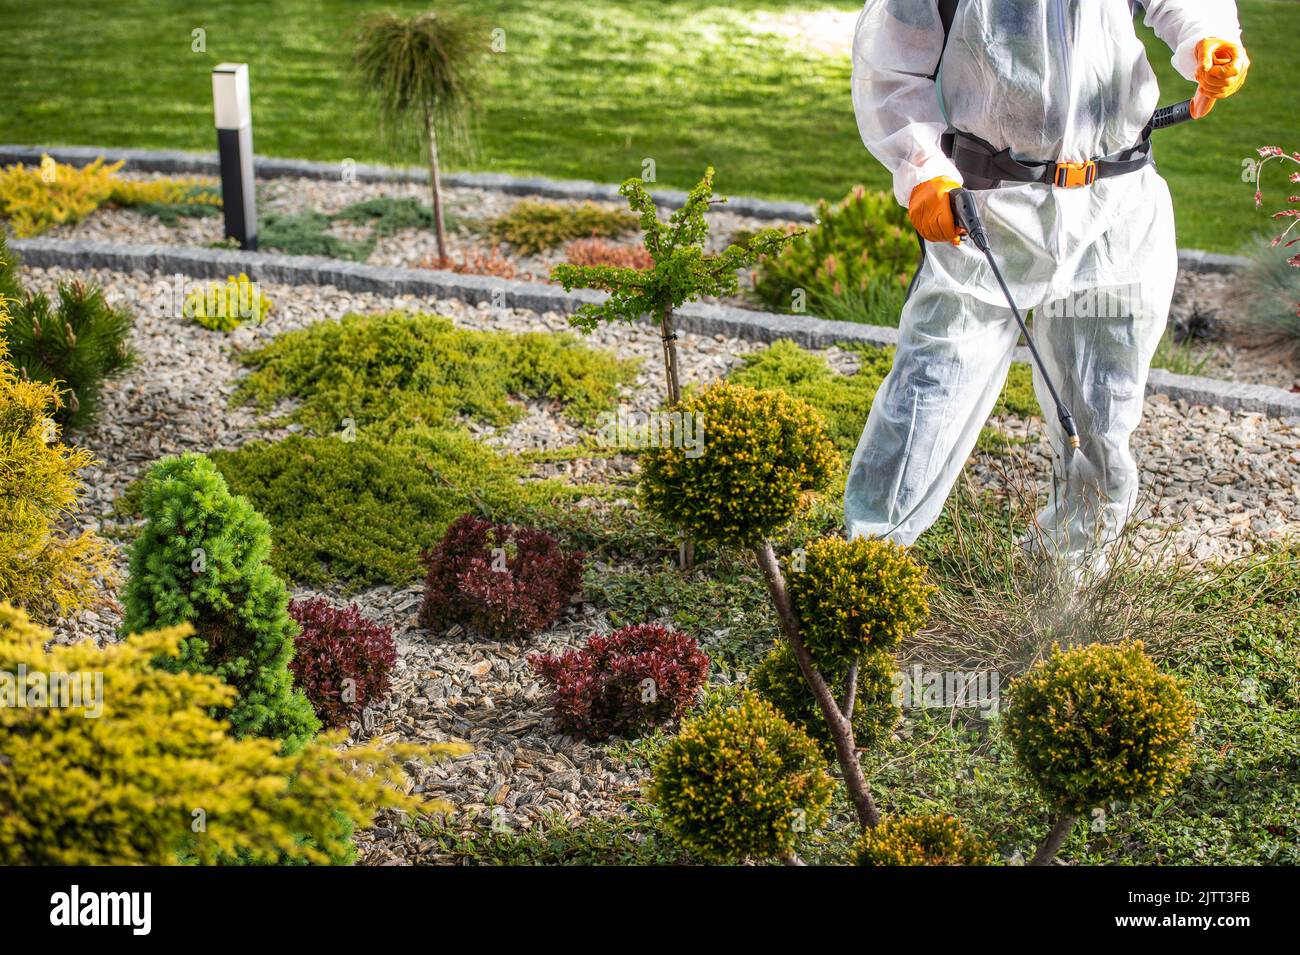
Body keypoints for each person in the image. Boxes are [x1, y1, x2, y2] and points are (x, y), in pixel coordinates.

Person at [845, 0, 1248, 564]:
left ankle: (1069, 567)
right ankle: (867, 565)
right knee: (934, 384)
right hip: (988, 203)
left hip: (1115, 201)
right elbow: (890, 66)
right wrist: (922, 169)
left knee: (1104, 398)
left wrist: (1208, 40)